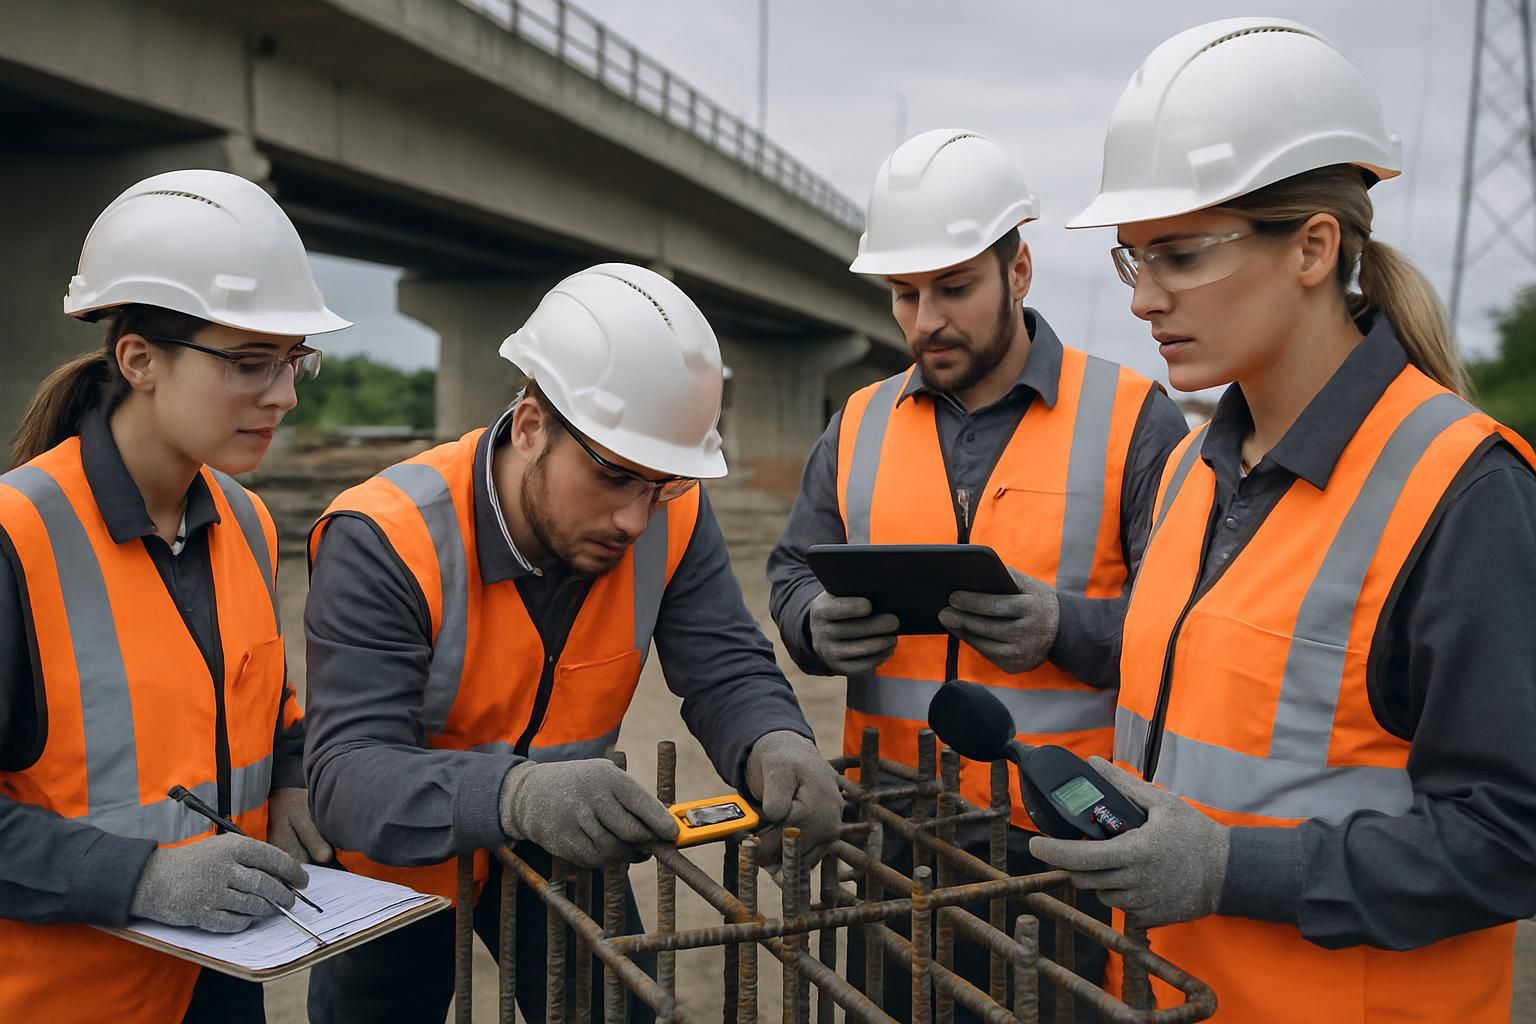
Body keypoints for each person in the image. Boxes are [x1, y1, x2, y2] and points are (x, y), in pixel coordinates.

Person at [1029, 18, 1536, 1023]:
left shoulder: (1464, 491)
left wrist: (1233, 867)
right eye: (1134, 259)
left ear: (1313, 247)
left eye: (1178, 255)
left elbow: (1511, 837)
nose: (1143, 301)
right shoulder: (1191, 470)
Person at [302, 262, 846, 1023]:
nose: (635, 518)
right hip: (401, 868)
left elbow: (724, 664)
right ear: (531, 427)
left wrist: (776, 739)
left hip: (572, 843)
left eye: (662, 485)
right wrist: (516, 793)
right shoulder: (385, 537)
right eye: (614, 477)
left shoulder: (670, 511)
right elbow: (346, 774)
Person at [767, 129, 1188, 1017]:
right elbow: (791, 571)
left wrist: (1065, 627)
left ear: (1019, 272)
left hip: (1060, 836)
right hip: (888, 829)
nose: (926, 320)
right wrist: (813, 620)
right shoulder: (856, 422)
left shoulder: (1130, 416)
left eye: (954, 287)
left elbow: (1184, 624)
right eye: (904, 294)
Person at [0, 169, 348, 1022]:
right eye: (249, 363)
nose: (285, 395)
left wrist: (295, 782)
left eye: (294, 359)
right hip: (68, 1000)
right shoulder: (15, 540)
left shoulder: (246, 521)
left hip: (221, 981)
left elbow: (265, 709)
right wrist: (143, 877)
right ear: (139, 361)